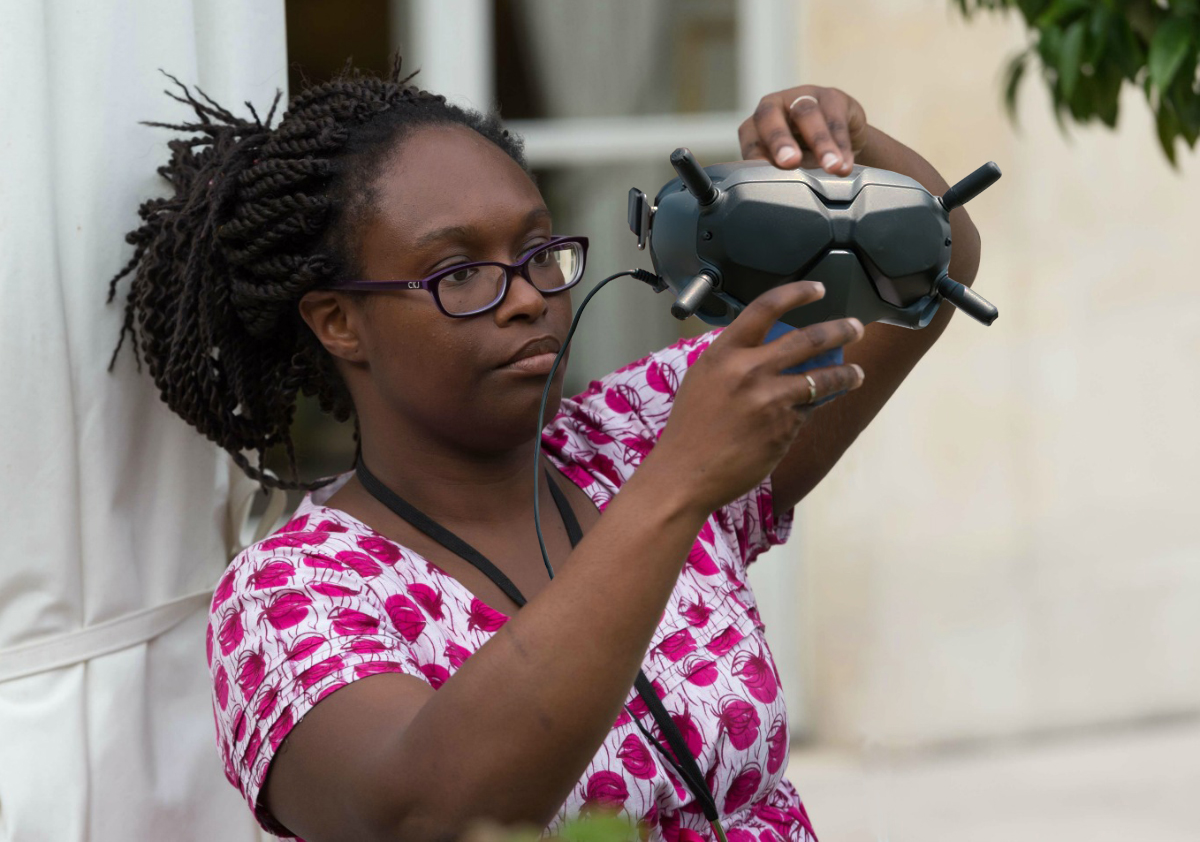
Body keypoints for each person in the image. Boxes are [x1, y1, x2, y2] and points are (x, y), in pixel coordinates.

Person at [110, 61, 981, 841]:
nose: (527, 296)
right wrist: (676, 485)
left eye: (538, 251)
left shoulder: (634, 429)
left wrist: (848, 149)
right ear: (340, 323)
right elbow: (428, 814)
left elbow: (931, 274)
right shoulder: (290, 596)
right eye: (460, 273)